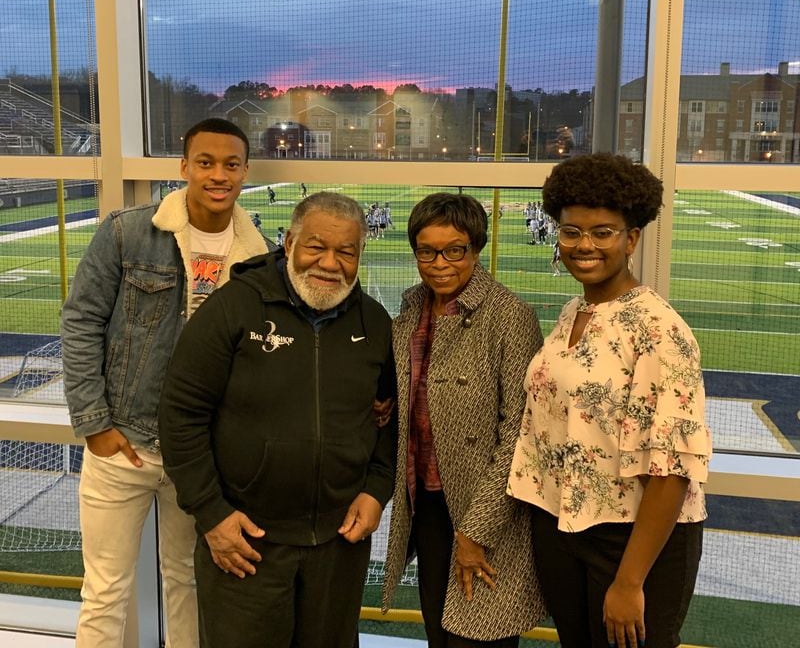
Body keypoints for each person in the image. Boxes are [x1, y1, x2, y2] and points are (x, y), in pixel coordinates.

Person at [61, 117, 268, 648]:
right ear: (184, 168)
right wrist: (95, 424)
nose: (217, 175)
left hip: (198, 454)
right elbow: (81, 320)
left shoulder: (260, 258)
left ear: (245, 172)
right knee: (105, 591)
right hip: (121, 444)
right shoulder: (127, 231)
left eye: (230, 164)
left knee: (190, 583)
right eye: (205, 162)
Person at [159, 191, 397, 648]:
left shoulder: (374, 323)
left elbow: (387, 416)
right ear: (287, 243)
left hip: (338, 546)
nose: (330, 263)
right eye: (315, 246)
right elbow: (180, 415)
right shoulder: (232, 308)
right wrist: (212, 514)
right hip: (247, 544)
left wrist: (376, 489)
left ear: (360, 255)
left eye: (346, 251)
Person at [508, 153, 712, 648]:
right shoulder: (573, 310)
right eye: (572, 231)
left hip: (633, 541)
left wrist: (629, 581)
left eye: (603, 232)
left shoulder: (659, 329)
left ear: (631, 238)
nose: (584, 246)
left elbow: (672, 466)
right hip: (565, 525)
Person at [381, 192, 546, 647]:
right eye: (427, 251)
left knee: (477, 637)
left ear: (476, 249)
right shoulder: (413, 310)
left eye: (455, 250)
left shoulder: (509, 316)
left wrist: (476, 531)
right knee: (440, 633)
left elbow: (519, 433)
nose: (440, 263)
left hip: (482, 512)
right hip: (428, 504)